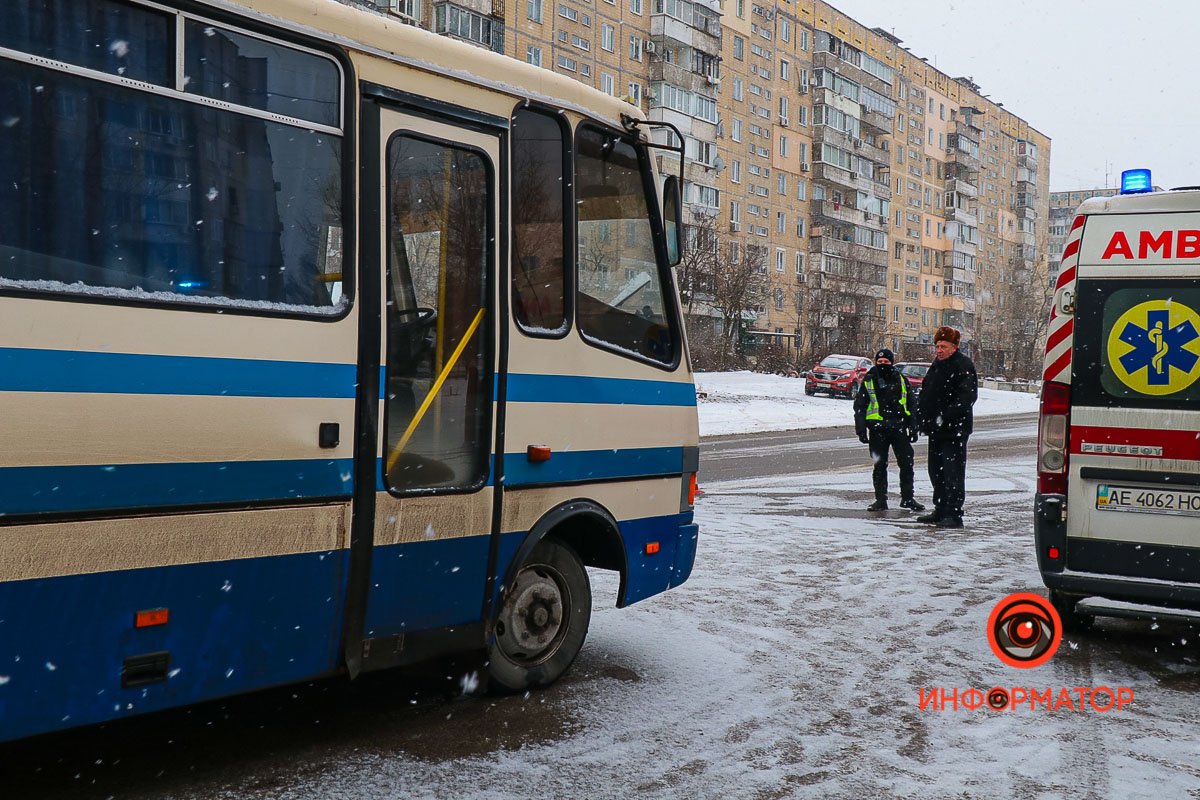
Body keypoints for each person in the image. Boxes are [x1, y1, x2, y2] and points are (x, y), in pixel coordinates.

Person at [915, 326, 978, 528]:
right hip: (936, 429)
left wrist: (945, 416)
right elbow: (927, 391)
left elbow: (967, 397)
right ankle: (940, 508)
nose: (939, 350)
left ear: (955, 346)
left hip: (954, 430)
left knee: (953, 472)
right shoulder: (937, 365)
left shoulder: (963, 365)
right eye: (937, 346)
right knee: (936, 471)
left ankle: (953, 513)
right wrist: (921, 416)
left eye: (943, 346)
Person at [854, 348, 925, 512]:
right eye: (880, 362)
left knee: (907, 464)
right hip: (878, 430)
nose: (883, 365)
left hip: (899, 428)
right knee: (880, 466)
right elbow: (860, 406)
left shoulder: (901, 379)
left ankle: (907, 498)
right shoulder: (869, 380)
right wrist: (861, 429)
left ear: (891, 362)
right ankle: (880, 500)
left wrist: (913, 427)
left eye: (886, 362)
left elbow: (911, 403)